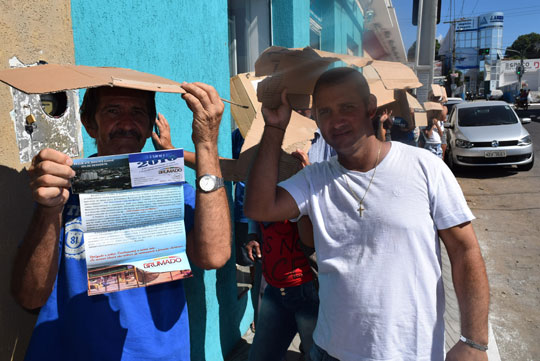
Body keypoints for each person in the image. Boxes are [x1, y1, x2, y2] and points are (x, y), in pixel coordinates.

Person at [244, 67, 489, 361]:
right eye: (325, 112)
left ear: (370, 107)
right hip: (329, 351)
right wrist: (274, 128)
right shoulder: (315, 179)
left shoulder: (424, 167)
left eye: (347, 107)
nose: (336, 121)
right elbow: (260, 208)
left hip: (411, 353)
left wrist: (474, 341)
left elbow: (464, 250)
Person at [11, 83, 231, 361]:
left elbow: (215, 255)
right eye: (113, 110)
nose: (127, 123)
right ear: (90, 124)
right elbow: (29, 297)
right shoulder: (62, 192)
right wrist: (48, 210)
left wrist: (207, 143)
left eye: (138, 113)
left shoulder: (170, 188)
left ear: (150, 123)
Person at [245, 220, 319, 361]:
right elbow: (255, 208)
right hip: (274, 288)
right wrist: (252, 232)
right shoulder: (261, 198)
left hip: (310, 289)